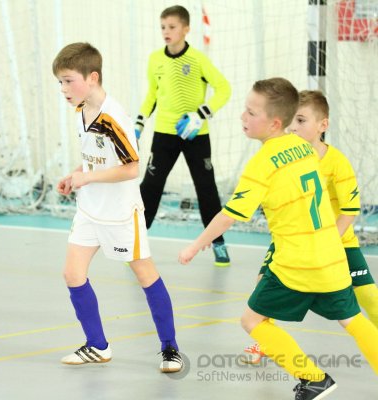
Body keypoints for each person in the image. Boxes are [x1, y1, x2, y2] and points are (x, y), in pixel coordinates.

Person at [178, 78, 378, 399]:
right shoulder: (306, 148)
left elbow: (231, 214)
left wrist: (196, 244)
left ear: (273, 123)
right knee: (352, 319)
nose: (242, 117)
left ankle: (313, 378)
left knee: (252, 319)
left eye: (251, 112)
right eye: (244, 109)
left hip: (296, 262)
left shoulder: (261, 164)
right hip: (331, 256)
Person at [52, 42, 182, 372]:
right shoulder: (81, 110)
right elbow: (94, 159)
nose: (64, 89)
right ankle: (97, 345)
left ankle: (170, 349)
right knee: (72, 274)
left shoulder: (114, 118)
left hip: (121, 213)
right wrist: (76, 175)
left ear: (92, 77)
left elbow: (130, 168)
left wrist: (88, 178)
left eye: (69, 81)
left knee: (145, 275)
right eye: (60, 83)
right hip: (89, 210)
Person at [241, 90, 378, 365]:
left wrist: (327, 242)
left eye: (301, 120)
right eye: (292, 120)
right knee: (261, 287)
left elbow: (350, 211)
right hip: (294, 243)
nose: (294, 126)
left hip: (338, 243)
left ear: (322, 126)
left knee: (368, 297)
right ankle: (265, 342)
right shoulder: (288, 156)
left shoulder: (337, 162)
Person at [135, 5, 232, 266]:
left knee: (206, 187)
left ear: (186, 29)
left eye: (172, 27)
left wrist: (201, 114)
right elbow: (152, 95)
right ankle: (136, 242)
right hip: (165, 133)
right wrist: (139, 123)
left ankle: (219, 243)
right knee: (151, 186)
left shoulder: (198, 59)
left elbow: (223, 89)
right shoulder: (155, 59)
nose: (166, 32)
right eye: (163, 27)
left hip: (195, 134)